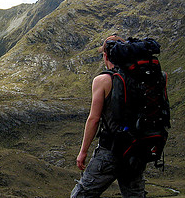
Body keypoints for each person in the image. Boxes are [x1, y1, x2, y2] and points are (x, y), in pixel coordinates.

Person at [70, 35, 147, 197]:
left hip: (110, 150)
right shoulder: (141, 78)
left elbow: (94, 119)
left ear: (105, 55)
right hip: (136, 151)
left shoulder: (103, 80)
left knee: (81, 195)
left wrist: (83, 152)